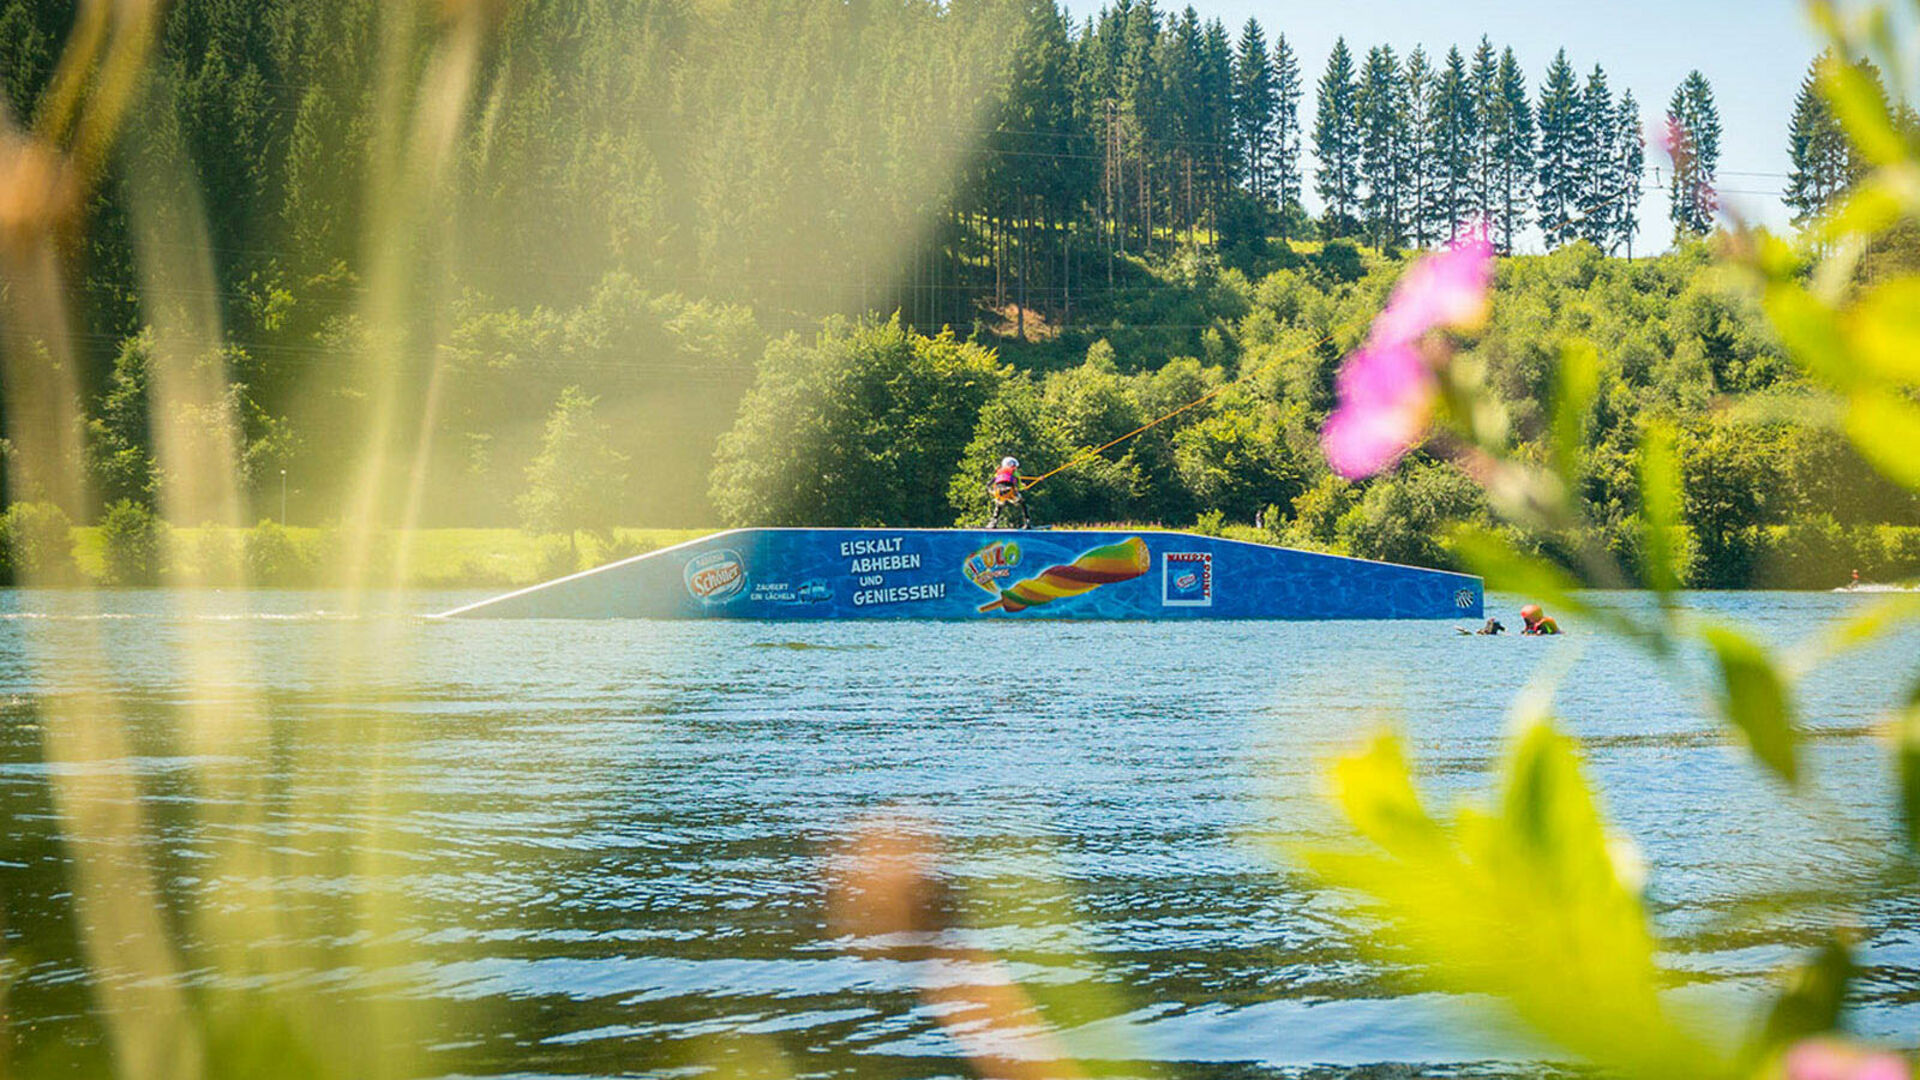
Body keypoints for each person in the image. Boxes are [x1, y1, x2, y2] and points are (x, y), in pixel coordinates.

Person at [987, 456, 1030, 528]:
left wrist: (990, 491)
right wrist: (1024, 487)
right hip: (1009, 491)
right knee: (1022, 503)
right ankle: (1027, 521)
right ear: (1011, 465)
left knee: (999, 505)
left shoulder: (998, 472)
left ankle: (993, 522)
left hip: (998, 492)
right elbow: (1019, 487)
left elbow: (990, 484)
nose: (1016, 468)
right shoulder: (1015, 473)